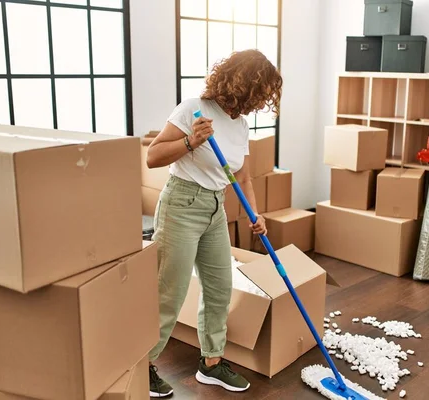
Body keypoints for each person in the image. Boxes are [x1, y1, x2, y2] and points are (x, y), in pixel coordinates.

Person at [145, 49, 283, 398]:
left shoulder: (240, 123)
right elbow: (153, 156)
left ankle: (211, 364)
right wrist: (191, 140)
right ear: (244, 85)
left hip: (214, 208)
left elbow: (243, 176)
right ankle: (142, 365)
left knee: (220, 287)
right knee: (170, 292)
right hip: (181, 203)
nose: (263, 101)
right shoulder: (194, 109)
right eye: (262, 93)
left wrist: (256, 214)